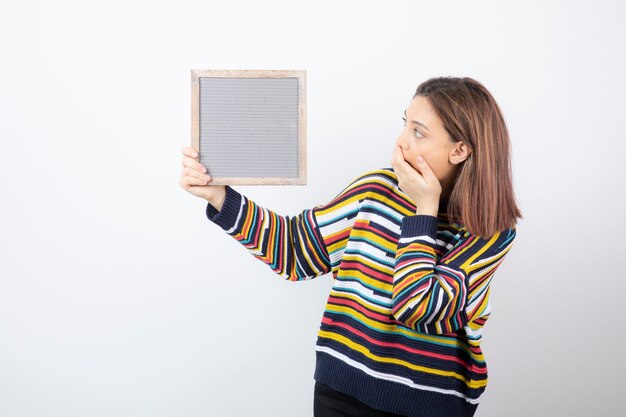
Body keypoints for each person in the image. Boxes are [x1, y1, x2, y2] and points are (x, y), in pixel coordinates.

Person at [179, 76, 523, 417]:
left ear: (460, 150)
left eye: (418, 132)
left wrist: (424, 211)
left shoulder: (491, 230)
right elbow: (296, 252)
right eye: (404, 125)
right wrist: (218, 196)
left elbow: (417, 307)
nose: (400, 143)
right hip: (340, 394)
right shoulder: (377, 189)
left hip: (429, 407)